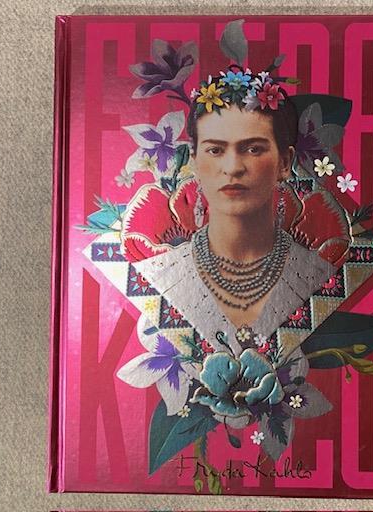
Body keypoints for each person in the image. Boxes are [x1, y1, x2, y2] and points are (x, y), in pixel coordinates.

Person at [131, 78, 339, 355]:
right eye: (215, 150)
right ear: (195, 161)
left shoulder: (319, 277)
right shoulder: (161, 275)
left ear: (284, 162)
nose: (232, 167)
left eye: (253, 149)